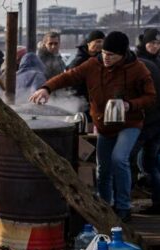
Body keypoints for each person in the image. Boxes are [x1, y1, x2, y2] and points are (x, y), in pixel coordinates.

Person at [30, 31, 157, 222]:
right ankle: (106, 205)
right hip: (104, 123)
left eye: (111, 55)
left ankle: (123, 206)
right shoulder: (93, 64)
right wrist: (46, 88)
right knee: (102, 168)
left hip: (129, 123)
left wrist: (131, 104)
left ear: (122, 54)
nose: (106, 58)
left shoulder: (137, 69)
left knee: (119, 159)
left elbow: (150, 96)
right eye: (104, 53)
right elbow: (70, 76)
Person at [136, 28, 160, 214]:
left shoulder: (143, 63)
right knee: (149, 163)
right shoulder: (145, 62)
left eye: (158, 43)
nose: (155, 46)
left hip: (148, 121)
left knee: (146, 163)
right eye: (152, 43)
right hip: (151, 119)